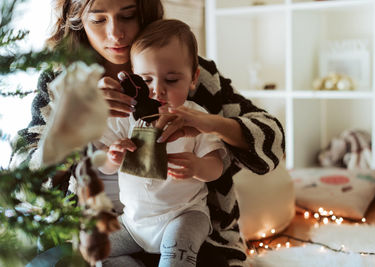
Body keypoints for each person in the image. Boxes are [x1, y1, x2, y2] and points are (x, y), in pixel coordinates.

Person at [10, 0, 286, 266]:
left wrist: (210, 123)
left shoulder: (183, 67)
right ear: (78, 22)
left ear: (145, 11)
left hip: (192, 235)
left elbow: (271, 136)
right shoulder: (61, 81)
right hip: (108, 233)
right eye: (98, 19)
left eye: (128, 15)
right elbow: (21, 182)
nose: (115, 33)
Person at [98, 19, 226, 267]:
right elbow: (103, 164)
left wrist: (198, 167)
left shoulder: (196, 118)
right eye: (146, 81)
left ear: (193, 78)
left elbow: (217, 167)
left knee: (177, 253)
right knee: (93, 249)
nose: (157, 91)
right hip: (134, 222)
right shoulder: (127, 115)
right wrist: (113, 156)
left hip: (184, 215)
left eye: (171, 80)